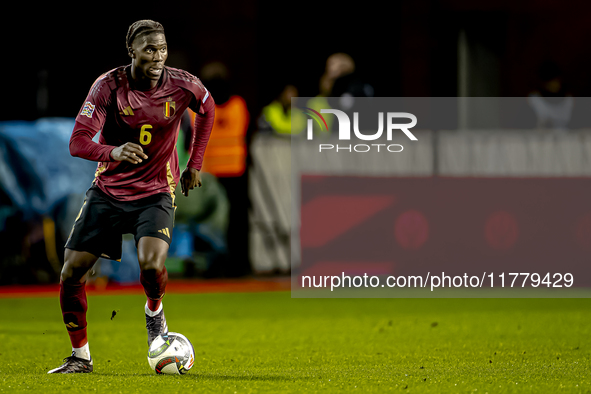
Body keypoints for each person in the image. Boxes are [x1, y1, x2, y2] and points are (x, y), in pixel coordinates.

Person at [47, 20, 215, 374]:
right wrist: (113, 151)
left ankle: (154, 312)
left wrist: (193, 164)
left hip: (155, 191)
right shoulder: (108, 86)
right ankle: (80, 357)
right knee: (71, 273)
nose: (158, 57)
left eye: (162, 49)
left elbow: (208, 109)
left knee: (152, 265)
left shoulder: (184, 85)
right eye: (150, 49)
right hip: (108, 192)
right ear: (132, 51)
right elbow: (78, 142)